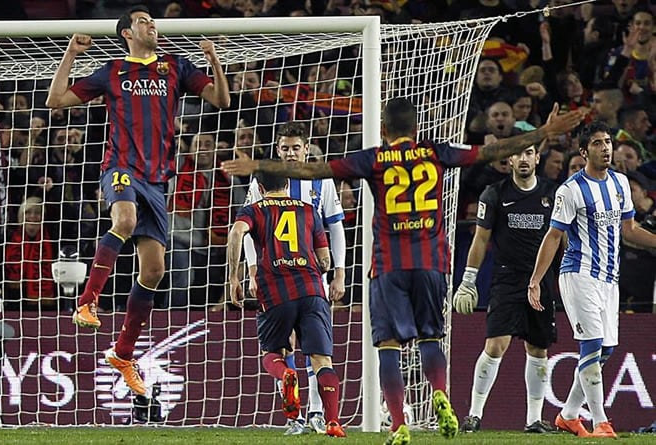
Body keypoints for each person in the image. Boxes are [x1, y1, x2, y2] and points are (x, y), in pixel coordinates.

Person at [222, 97, 584, 444]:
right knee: (429, 338)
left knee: (388, 346)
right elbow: (489, 152)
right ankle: (440, 394)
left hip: (389, 265)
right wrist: (543, 132)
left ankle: (398, 423)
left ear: (382, 128)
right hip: (431, 262)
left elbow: (318, 169)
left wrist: (260, 168)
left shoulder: (375, 158)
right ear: (416, 126)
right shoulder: (435, 152)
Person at [45, 5, 230, 395]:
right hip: (120, 166)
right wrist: (71, 54)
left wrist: (213, 59)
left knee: (154, 272)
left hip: (157, 179)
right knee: (124, 222)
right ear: (128, 32)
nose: (152, 25)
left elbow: (221, 100)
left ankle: (123, 354)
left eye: (153, 20)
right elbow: (56, 100)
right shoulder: (112, 72)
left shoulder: (175, 67)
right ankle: (86, 301)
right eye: (144, 21)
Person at [528, 120, 656, 438]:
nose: (606, 148)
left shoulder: (621, 184)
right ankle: (600, 421)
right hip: (579, 274)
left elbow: (629, 230)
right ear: (584, 152)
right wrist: (535, 281)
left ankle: (569, 415)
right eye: (598, 143)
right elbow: (554, 236)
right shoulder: (570, 189)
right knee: (591, 345)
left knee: (606, 351)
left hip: (609, 280)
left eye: (608, 142)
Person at [242, 121, 346, 435]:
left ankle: (313, 412)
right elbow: (250, 234)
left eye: (295, 148)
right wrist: (251, 270)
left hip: (309, 275)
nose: (290, 153)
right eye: (284, 148)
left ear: (306, 149)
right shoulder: (261, 180)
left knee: (307, 348)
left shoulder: (321, 179)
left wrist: (339, 272)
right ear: (278, 150)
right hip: (291, 275)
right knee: (307, 349)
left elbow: (336, 226)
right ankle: (298, 418)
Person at [453, 142, 558, 434]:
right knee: (495, 345)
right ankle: (473, 415)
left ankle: (533, 419)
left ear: (537, 158)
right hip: (507, 279)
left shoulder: (552, 193)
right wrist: (468, 279)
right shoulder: (495, 193)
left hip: (542, 280)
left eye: (529, 153)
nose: (523, 159)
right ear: (508, 159)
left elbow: (560, 239)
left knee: (538, 348)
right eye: (518, 153)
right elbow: (481, 239)